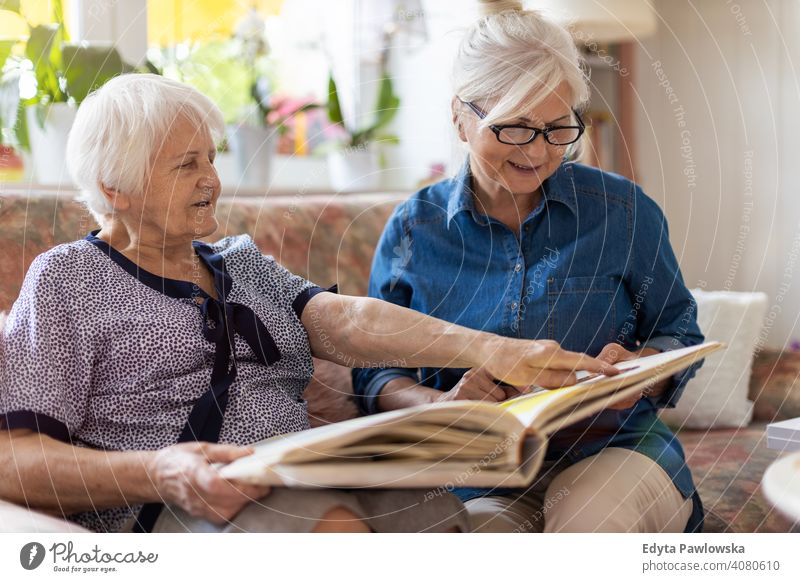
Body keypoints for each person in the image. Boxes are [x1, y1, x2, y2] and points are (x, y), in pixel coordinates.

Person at [0, 74, 613, 533]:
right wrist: (162, 471)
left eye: (211, 158)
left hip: (309, 475)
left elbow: (344, 322)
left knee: (455, 526)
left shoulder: (237, 260)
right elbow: (13, 460)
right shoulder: (67, 281)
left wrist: (495, 354)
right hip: (185, 507)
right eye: (186, 166)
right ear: (114, 188)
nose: (211, 179)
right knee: (338, 533)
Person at [353, 0, 706, 533]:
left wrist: (640, 371)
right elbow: (374, 370)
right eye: (514, 127)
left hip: (617, 449)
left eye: (557, 127)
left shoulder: (623, 213)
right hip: (480, 470)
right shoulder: (414, 229)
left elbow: (679, 330)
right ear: (460, 118)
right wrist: (440, 402)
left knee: (589, 527)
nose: (538, 152)